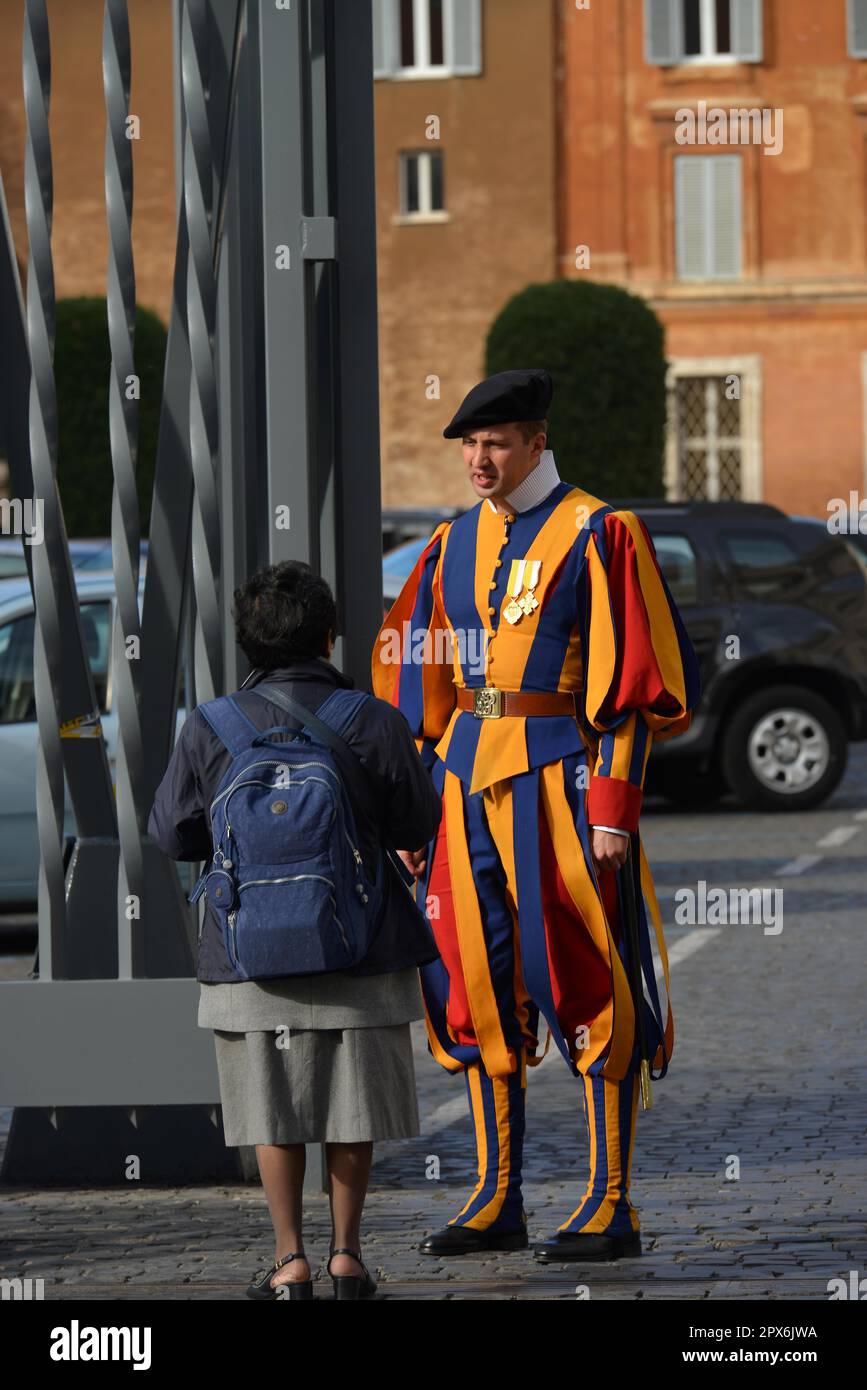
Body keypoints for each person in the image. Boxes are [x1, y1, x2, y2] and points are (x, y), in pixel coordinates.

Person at [371, 367, 701, 1262]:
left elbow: (632, 688)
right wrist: (413, 808)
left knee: (583, 977)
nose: (480, 460)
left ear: (536, 442)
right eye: (470, 446)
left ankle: (610, 1201)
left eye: (498, 443)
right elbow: (415, 678)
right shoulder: (449, 542)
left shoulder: (600, 533)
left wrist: (613, 810)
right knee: (471, 987)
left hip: (561, 783)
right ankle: (495, 1195)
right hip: (461, 786)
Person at [149, 561, 441, 1298]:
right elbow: (416, 820)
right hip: (361, 943)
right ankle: (347, 1255)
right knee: (352, 1109)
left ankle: (290, 1261)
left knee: (270, 1111)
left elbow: (171, 834)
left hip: (248, 952)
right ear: (330, 634)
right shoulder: (371, 719)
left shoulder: (211, 725)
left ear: (246, 642)